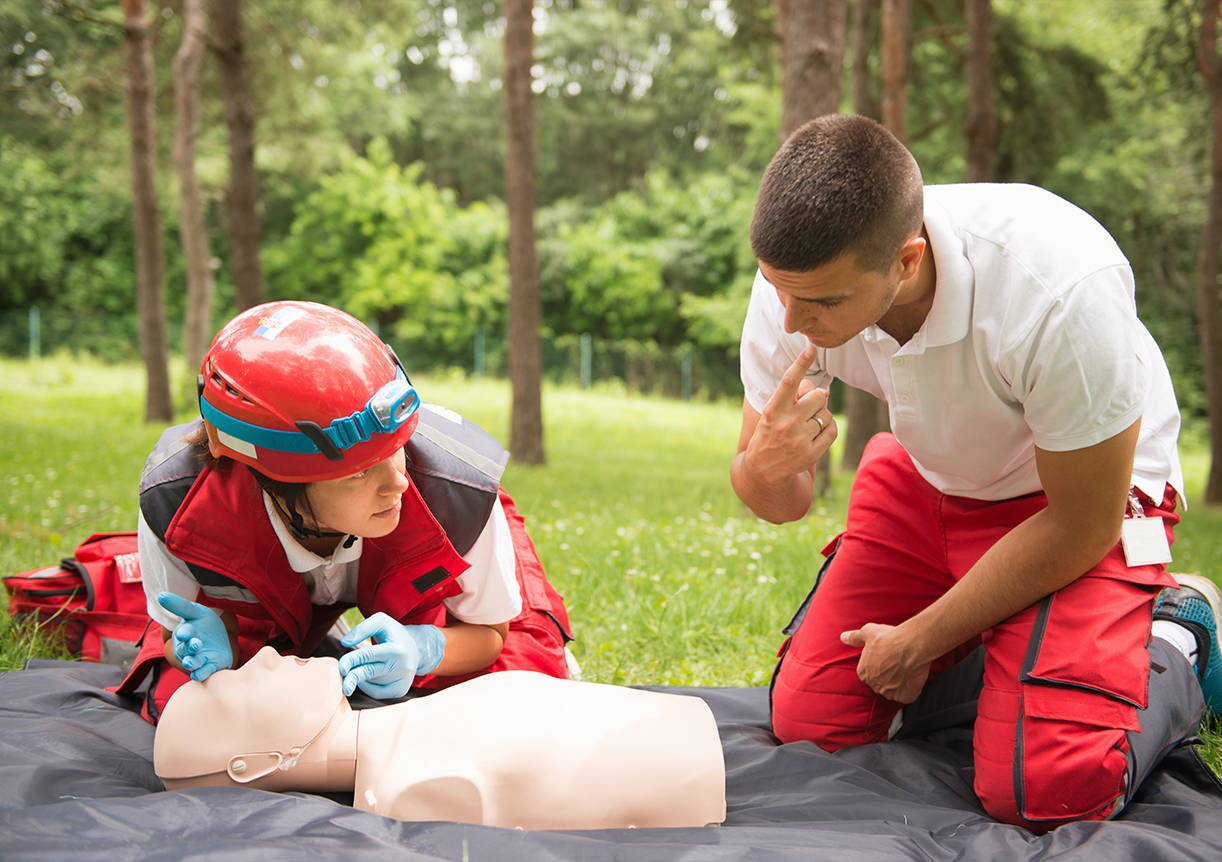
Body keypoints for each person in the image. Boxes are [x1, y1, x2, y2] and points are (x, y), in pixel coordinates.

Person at [732, 113, 1220, 832]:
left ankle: (1183, 635)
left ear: (905, 261)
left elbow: (1083, 523)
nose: (792, 318)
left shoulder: (1056, 291)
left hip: (1086, 499)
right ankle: (1012, 658)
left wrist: (922, 638)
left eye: (823, 302)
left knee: (1047, 790)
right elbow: (778, 502)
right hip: (930, 475)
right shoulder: (798, 279)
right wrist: (764, 469)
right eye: (779, 290)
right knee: (815, 723)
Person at [117, 301, 573, 723]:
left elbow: (491, 633)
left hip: (423, 572)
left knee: (522, 692)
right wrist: (200, 653)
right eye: (359, 472)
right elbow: (172, 639)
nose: (399, 482)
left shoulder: (459, 493)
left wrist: (427, 649)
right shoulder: (177, 504)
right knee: (189, 709)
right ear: (273, 478)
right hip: (270, 591)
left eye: (398, 451)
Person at [152, 646, 727, 830]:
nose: (267, 655)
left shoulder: (415, 735)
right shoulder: (417, 787)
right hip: (690, 777)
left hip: (683, 745)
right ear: (247, 767)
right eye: (236, 685)